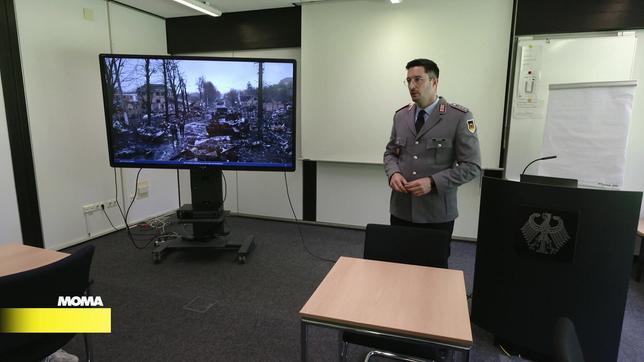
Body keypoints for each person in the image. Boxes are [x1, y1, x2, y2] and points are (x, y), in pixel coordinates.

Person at [384, 58, 481, 242]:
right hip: (401, 209)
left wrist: (433, 182)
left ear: (434, 82)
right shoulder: (401, 116)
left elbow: (472, 166)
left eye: (418, 79)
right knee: (397, 265)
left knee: (433, 269)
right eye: (408, 80)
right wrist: (393, 173)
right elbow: (390, 153)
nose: (412, 85)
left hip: (436, 214)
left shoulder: (458, 117)